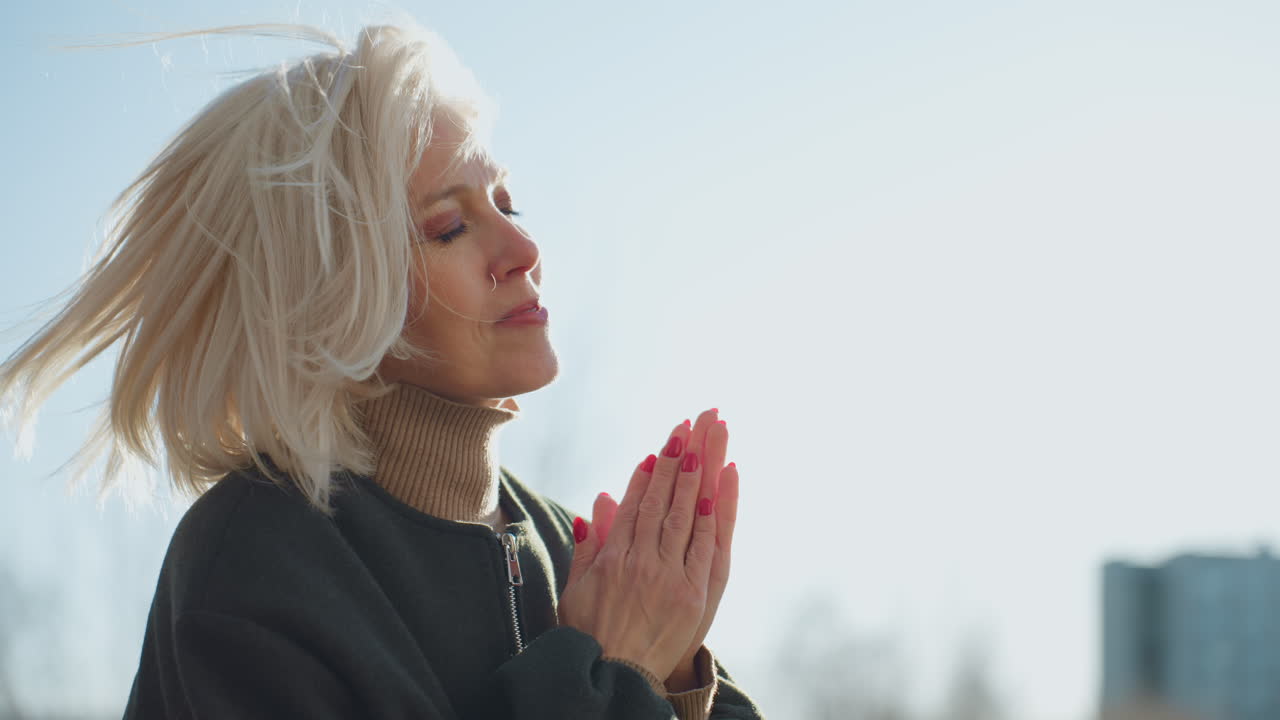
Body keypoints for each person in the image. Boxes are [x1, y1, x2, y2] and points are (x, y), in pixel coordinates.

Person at [0, 21, 765, 719]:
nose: (523, 251)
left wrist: (677, 674)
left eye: (508, 202)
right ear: (333, 294)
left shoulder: (575, 549)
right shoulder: (255, 564)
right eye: (451, 226)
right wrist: (618, 672)